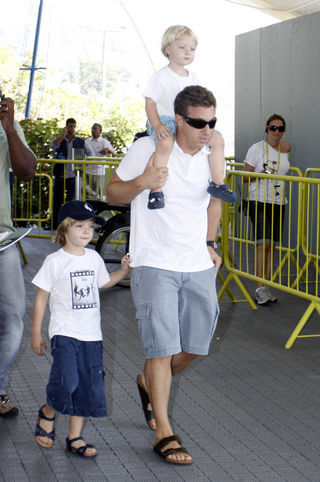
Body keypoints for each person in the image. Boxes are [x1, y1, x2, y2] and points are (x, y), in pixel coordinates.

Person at [107, 85, 221, 465]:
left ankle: (147, 383)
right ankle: (164, 432)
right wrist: (144, 181)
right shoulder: (148, 147)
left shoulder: (211, 154)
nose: (206, 129)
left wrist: (211, 243)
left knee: (195, 347)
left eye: (212, 122)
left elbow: (214, 200)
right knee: (161, 348)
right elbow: (112, 193)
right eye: (198, 122)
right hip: (154, 261)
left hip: (197, 264)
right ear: (179, 119)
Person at [31, 200, 130, 457]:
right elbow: (41, 297)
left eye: (90, 226)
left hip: (91, 335)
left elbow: (104, 283)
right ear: (64, 229)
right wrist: (36, 332)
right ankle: (48, 412)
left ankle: (74, 437)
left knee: (86, 384)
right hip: (64, 332)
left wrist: (123, 271)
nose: (87, 231)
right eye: (80, 226)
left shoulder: (94, 258)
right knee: (68, 380)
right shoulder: (55, 261)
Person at [143, 24, 236, 209]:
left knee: (217, 139)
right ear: (168, 49)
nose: (188, 52)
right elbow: (150, 102)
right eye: (182, 47)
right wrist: (157, 124)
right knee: (166, 142)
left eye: (192, 49)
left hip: (189, 122)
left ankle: (218, 183)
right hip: (166, 119)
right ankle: (156, 190)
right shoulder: (161, 76)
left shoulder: (194, 77)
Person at [0, 93, 37, 416]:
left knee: (13, 319)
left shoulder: (5, 127)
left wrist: (10, 129)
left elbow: (27, 172)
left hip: (2, 242)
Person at [244, 114, 291, 305]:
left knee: (271, 246)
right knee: (262, 245)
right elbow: (245, 177)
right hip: (260, 200)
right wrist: (261, 174)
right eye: (273, 128)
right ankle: (259, 288)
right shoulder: (256, 149)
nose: (276, 132)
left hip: (279, 201)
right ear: (266, 128)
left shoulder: (285, 148)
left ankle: (266, 285)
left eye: (280, 128)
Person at [51, 118, 94, 228]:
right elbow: (53, 145)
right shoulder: (59, 139)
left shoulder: (80, 141)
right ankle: (55, 224)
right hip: (61, 174)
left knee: (71, 201)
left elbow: (91, 155)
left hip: (74, 175)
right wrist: (62, 135)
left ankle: (69, 225)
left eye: (74, 126)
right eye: (70, 126)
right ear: (66, 127)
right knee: (57, 201)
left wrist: (83, 165)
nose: (72, 128)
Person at [86, 123, 116, 198]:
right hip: (87, 170)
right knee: (85, 191)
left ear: (100, 131)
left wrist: (107, 150)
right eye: (92, 128)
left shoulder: (104, 142)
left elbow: (113, 154)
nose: (92, 130)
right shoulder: (88, 141)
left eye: (95, 129)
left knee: (98, 194)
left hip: (98, 171)